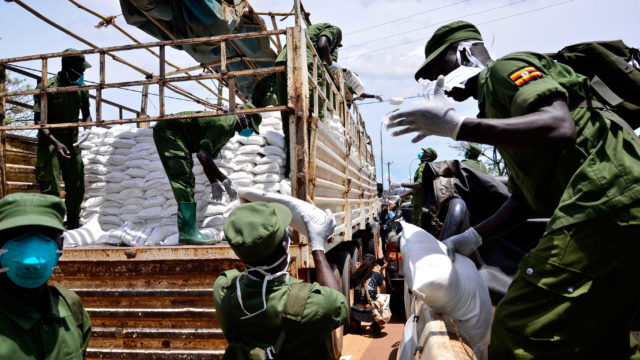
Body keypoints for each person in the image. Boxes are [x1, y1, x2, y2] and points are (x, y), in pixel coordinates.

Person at [387, 20, 640, 359]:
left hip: (608, 200)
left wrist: (457, 127)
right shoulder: (497, 114)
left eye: (438, 68)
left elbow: (560, 126)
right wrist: (472, 237)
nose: (439, 83)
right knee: (602, 335)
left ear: (464, 53)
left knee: (519, 329)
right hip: (617, 204)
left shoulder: (504, 70)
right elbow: (525, 198)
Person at [213, 202, 348, 359]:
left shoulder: (224, 291)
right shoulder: (309, 303)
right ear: (285, 247)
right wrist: (318, 248)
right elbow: (339, 305)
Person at [153, 104, 261, 245]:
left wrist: (213, 182)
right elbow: (202, 155)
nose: (249, 131)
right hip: (169, 132)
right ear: (244, 116)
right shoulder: (225, 122)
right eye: (250, 126)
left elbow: (207, 157)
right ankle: (188, 232)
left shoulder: (228, 131)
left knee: (187, 177)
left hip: (179, 136)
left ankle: (188, 231)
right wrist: (224, 180)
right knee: (182, 176)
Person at [0, 193, 91, 359]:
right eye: (18, 234)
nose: (31, 248)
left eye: (44, 234)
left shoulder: (71, 307)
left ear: (60, 246)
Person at [252, 23, 343, 173]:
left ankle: (290, 171)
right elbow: (322, 45)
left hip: (284, 60)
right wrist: (331, 63)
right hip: (302, 62)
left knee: (289, 117)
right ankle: (305, 169)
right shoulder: (334, 30)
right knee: (312, 115)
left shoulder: (310, 32)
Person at [33, 49, 92, 230]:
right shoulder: (46, 87)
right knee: (51, 187)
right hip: (50, 143)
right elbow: (38, 121)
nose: (82, 74)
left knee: (76, 185)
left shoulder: (81, 89)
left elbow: (87, 115)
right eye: (79, 70)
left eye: (83, 71)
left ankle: (73, 222)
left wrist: (87, 129)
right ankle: (51, 225)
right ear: (67, 68)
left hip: (72, 142)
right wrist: (56, 143)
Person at [349, 254, 387, 335]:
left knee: (356, 300)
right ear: (374, 264)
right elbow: (383, 286)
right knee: (384, 299)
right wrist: (382, 270)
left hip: (356, 312)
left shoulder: (356, 275)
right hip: (371, 313)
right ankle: (375, 324)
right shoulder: (376, 274)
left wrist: (356, 270)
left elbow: (351, 286)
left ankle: (355, 323)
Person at [400, 147, 437, 227]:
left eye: (424, 153)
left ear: (429, 157)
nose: (422, 154)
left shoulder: (423, 166)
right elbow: (417, 188)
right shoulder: (428, 167)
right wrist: (401, 196)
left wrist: (401, 184)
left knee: (418, 226)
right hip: (421, 201)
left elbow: (419, 185)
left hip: (420, 202)